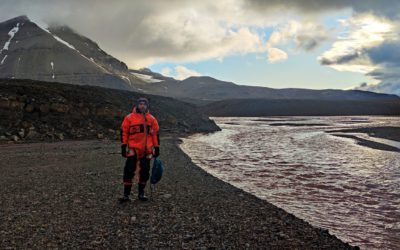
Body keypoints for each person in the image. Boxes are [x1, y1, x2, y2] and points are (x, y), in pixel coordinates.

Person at [119, 97, 160, 203]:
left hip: (147, 151)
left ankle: (141, 194)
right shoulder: (129, 118)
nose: (142, 106)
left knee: (145, 172)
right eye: (140, 104)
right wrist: (123, 146)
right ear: (137, 105)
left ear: (147, 106)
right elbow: (124, 132)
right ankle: (126, 195)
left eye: (144, 104)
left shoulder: (152, 119)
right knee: (128, 171)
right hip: (133, 149)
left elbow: (155, 134)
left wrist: (157, 147)